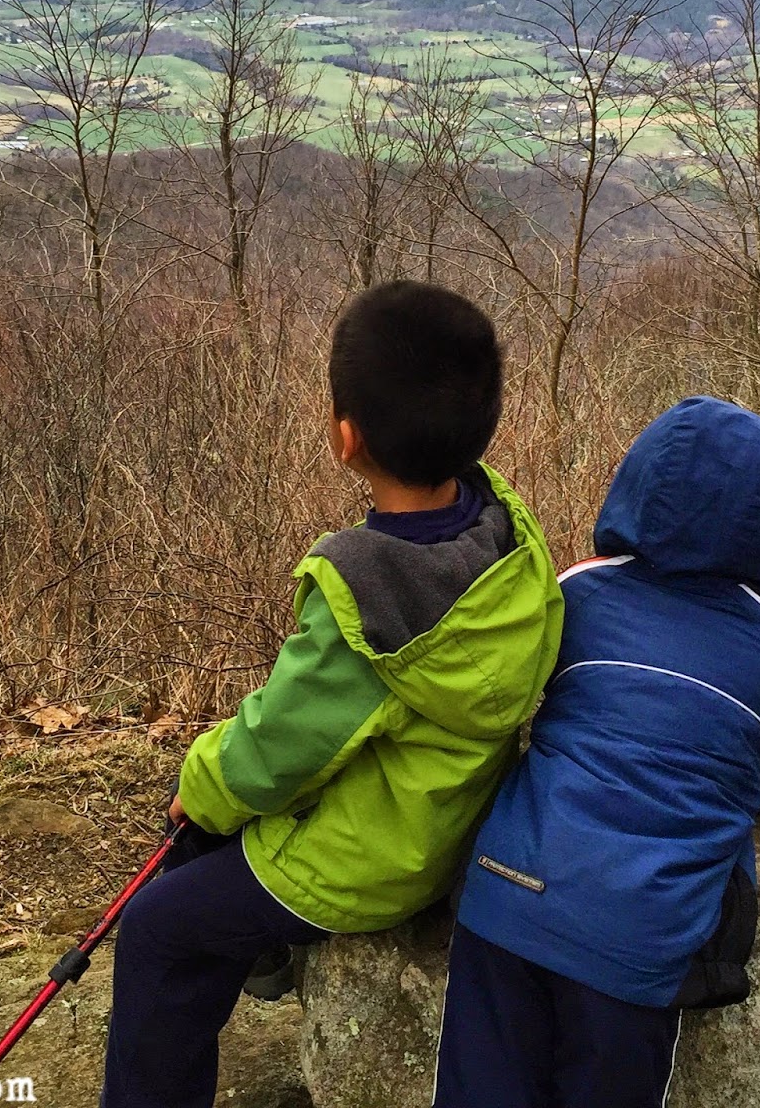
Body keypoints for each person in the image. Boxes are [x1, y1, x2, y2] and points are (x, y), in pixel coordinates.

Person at [100, 280, 564, 1108]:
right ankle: (262, 952)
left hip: (369, 860)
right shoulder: (503, 534)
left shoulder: (371, 596)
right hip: (441, 812)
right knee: (199, 877)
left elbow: (277, 748)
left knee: (158, 931)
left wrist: (199, 786)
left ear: (345, 437)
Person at [435, 395, 760, 1108]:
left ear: (639, 483)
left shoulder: (578, 591)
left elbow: (516, 692)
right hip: (636, 943)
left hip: (504, 899)